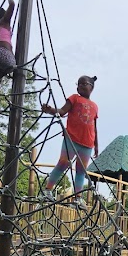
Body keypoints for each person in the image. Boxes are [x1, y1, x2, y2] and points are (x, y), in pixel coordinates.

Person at [40, 76, 99, 209]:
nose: (81, 86)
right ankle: (47, 191)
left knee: (81, 171)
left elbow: (94, 127)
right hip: (72, 138)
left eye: (84, 84)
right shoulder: (74, 98)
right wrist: (50, 110)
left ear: (92, 87)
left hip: (88, 143)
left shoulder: (95, 106)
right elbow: (61, 112)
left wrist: (96, 145)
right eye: (79, 84)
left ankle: (78, 198)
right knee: (63, 163)